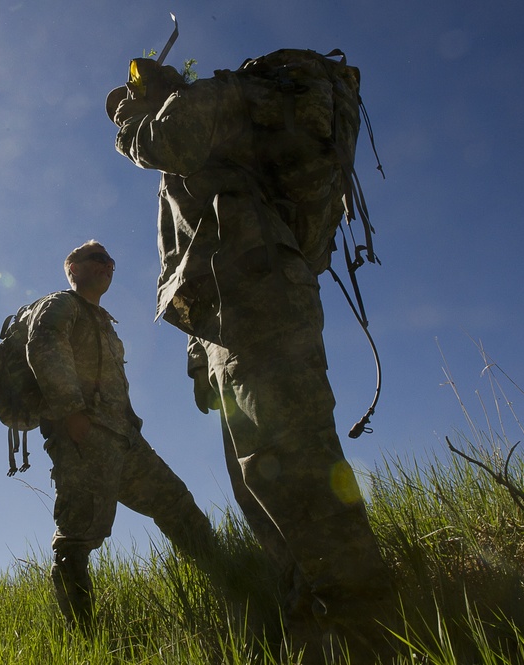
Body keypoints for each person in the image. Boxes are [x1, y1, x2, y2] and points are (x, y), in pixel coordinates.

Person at [107, 63, 396, 661]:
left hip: (258, 289)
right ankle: (314, 630)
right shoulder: (210, 151)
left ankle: (370, 633)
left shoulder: (199, 105)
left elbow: (165, 142)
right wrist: (199, 358)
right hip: (229, 309)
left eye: (133, 97)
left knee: (294, 463)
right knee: (258, 481)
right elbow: (189, 253)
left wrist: (129, 119)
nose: (129, 109)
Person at [26, 240, 221, 634]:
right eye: (97, 259)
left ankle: (232, 584)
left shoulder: (104, 322)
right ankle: (85, 637)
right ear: (73, 268)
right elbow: (43, 346)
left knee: (178, 506)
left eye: (111, 261)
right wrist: (71, 412)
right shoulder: (59, 304)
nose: (107, 265)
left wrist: (132, 426)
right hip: (84, 438)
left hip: (125, 442)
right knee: (77, 540)